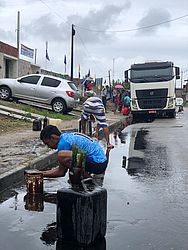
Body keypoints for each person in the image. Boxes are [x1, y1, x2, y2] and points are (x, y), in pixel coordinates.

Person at [40, 125, 110, 178]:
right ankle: (83, 175)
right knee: (70, 162)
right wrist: (42, 173)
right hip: (101, 162)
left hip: (97, 164)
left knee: (61, 155)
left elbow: (61, 172)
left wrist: (41, 174)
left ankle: (86, 177)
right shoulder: (66, 137)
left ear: (53, 137)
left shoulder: (63, 143)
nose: (48, 147)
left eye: (47, 143)